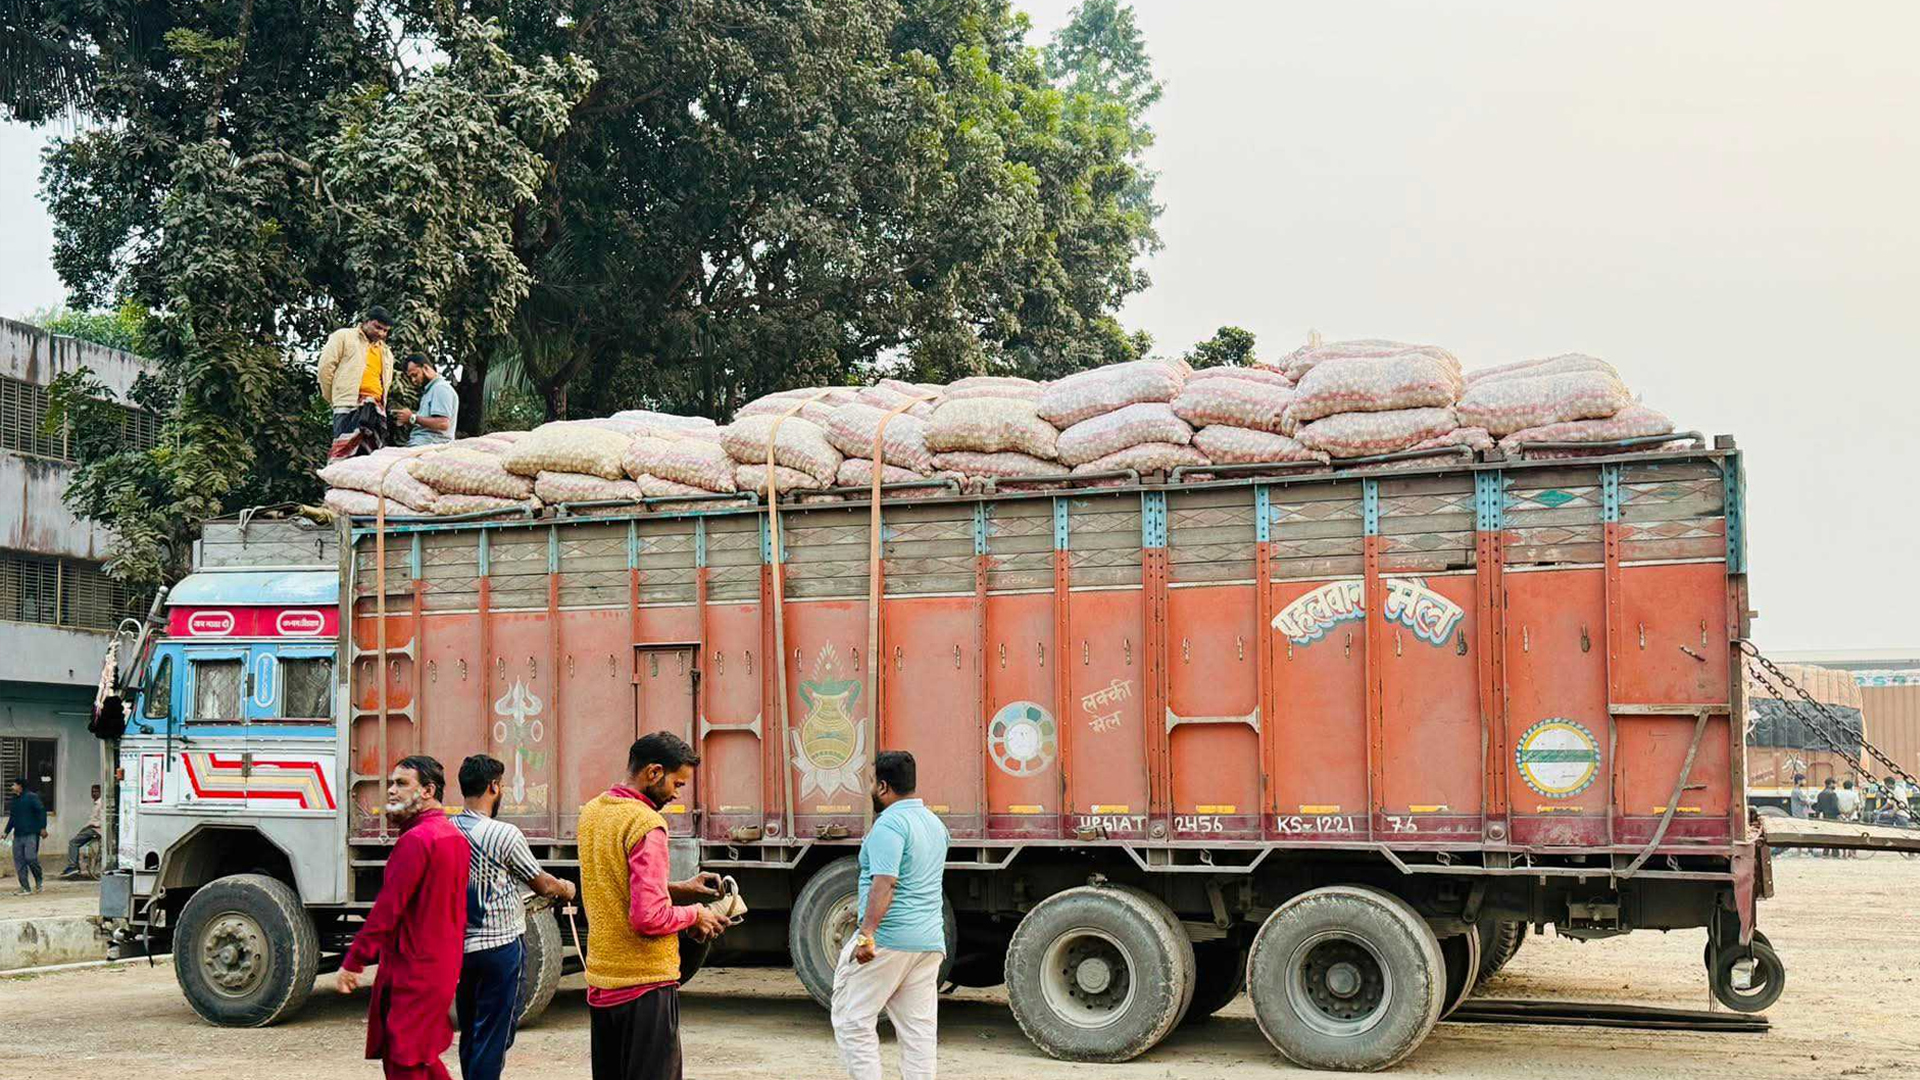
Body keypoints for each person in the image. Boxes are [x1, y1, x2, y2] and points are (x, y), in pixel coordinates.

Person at [578, 733, 727, 1080]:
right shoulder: (646, 824)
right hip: (644, 988)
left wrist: (681, 889)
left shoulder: (593, 813)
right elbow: (648, 917)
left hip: (603, 985)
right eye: (677, 783)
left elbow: (614, 887)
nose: (677, 793)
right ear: (654, 772)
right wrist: (697, 915)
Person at [336, 756, 470, 1080]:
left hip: (414, 967)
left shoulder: (418, 840)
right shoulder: (452, 837)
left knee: (404, 1057)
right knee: (419, 1055)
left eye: (401, 783)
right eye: (391, 783)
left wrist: (354, 961)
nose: (392, 791)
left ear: (428, 790)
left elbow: (387, 909)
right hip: (439, 965)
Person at [453, 754, 576, 1080]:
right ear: (494, 787)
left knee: (471, 1029)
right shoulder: (504, 834)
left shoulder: (446, 830)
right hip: (500, 947)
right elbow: (541, 883)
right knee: (495, 1034)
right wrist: (565, 888)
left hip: (459, 950)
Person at [831, 750, 951, 1080]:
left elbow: (886, 881)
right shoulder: (935, 824)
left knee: (853, 1019)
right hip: (928, 942)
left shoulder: (890, 825)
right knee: (919, 1032)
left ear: (883, 787)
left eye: (872, 782)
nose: (871, 788)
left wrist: (866, 934)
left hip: (888, 940)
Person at [317, 307, 397, 439]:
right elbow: (325, 369)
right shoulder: (343, 336)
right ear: (366, 321)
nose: (381, 333)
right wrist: (335, 399)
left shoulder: (386, 353)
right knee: (344, 456)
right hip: (348, 404)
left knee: (372, 457)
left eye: (385, 331)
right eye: (377, 327)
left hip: (376, 409)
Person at [396, 354, 458, 447]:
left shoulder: (440, 388)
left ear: (425, 368)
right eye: (410, 377)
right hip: (422, 442)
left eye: (415, 375)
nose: (413, 380)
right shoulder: (431, 389)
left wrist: (413, 418)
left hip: (430, 444)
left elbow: (443, 423)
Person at [4, 778, 48, 894]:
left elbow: (41, 811)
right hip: (18, 835)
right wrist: (6, 832)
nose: (12, 787)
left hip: (31, 834)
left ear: (20, 786)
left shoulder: (31, 797)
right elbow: (12, 818)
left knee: (31, 858)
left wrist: (43, 827)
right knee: (19, 862)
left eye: (14, 785)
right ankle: (25, 887)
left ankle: (39, 880)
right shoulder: (15, 800)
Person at [58, 784, 102, 879]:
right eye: (92, 792)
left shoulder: (100, 804)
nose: (94, 794)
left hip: (96, 829)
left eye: (96, 792)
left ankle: (73, 866)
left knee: (73, 843)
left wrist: (86, 827)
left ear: (101, 792)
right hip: (94, 828)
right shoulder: (97, 804)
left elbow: (97, 821)